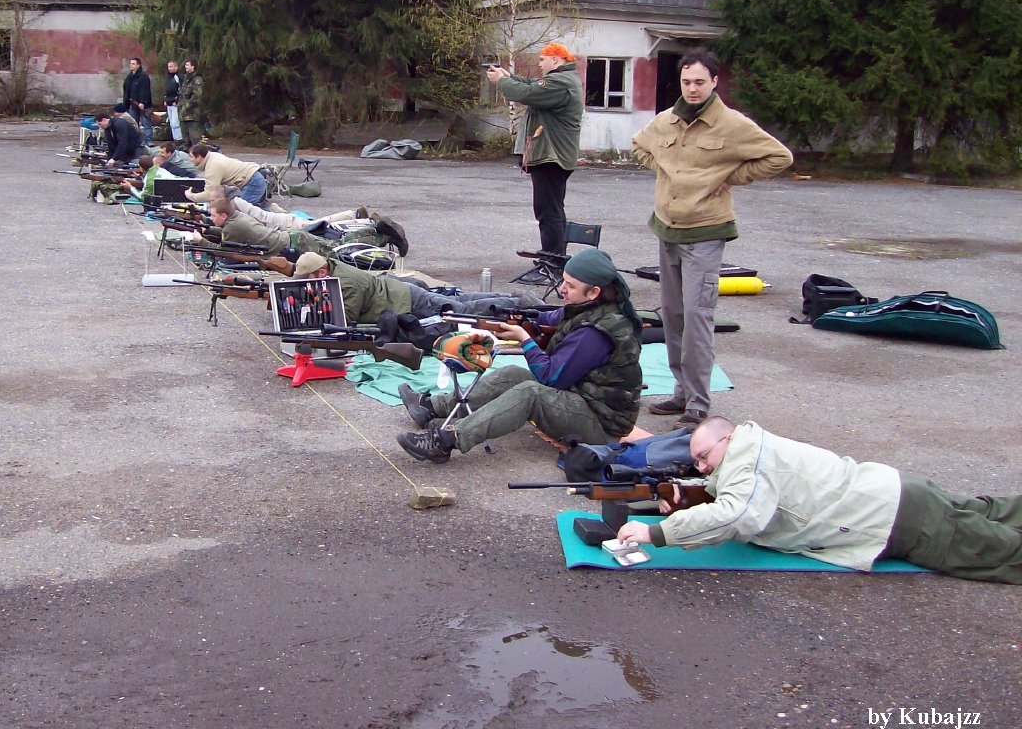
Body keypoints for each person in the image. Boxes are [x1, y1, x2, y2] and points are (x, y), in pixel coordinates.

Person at [616, 417, 1022, 584]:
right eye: (698, 462)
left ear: (729, 438)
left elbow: (737, 514)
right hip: (899, 493)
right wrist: (688, 495)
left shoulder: (747, 463)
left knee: (1005, 553)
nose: (702, 467)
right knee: (997, 512)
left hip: (897, 520)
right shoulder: (753, 447)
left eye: (705, 457)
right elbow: (731, 489)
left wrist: (657, 533)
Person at [631, 49, 792, 429]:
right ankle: (680, 392)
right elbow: (638, 145)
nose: (692, 88)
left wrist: (728, 177)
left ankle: (698, 404)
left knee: (697, 319)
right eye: (686, 81)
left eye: (700, 82)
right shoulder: (666, 120)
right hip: (667, 230)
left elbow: (779, 157)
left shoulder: (731, 124)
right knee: (672, 317)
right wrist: (663, 170)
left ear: (714, 82)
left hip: (704, 234)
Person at [395, 247, 642, 464]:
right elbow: (547, 318)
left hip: (602, 425)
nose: (562, 289)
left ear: (594, 292)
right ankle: (430, 407)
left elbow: (550, 378)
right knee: (514, 374)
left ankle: (446, 440)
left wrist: (525, 339)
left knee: (530, 393)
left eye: (571, 286)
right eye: (563, 281)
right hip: (583, 400)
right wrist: (514, 319)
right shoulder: (587, 308)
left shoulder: (596, 332)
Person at [486, 43, 582, 256]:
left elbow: (528, 93)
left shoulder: (560, 82)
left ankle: (553, 259)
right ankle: (555, 257)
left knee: (548, 212)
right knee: (553, 209)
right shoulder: (563, 79)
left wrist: (502, 81)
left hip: (551, 156)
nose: (539, 64)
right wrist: (509, 76)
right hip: (554, 155)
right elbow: (533, 85)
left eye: (542, 60)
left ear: (555, 59)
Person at [292, 251, 542, 327]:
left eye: (307, 279)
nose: (305, 283)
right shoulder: (331, 269)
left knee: (461, 310)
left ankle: (518, 304)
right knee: (461, 300)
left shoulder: (345, 282)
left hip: (406, 300)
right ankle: (511, 297)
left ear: (321, 273)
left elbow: (346, 319)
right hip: (401, 293)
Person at [225, 194, 408, 256]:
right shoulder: (238, 217)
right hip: (291, 234)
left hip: (292, 234)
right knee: (336, 238)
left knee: (339, 248)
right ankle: (372, 227)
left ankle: (378, 232)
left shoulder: (237, 220)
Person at [184, 144, 269, 206]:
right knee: (258, 211)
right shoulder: (212, 156)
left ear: (199, 157)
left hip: (252, 182)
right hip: (254, 177)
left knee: (240, 211)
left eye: (191, 157)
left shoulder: (213, 167)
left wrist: (191, 196)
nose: (190, 160)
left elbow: (209, 194)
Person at [122, 57, 154, 148]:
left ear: (138, 65)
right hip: (132, 104)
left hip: (144, 105)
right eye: (130, 63)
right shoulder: (129, 77)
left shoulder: (143, 76)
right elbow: (126, 91)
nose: (131, 65)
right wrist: (126, 103)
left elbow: (145, 90)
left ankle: (149, 140)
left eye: (133, 64)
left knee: (146, 123)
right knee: (134, 124)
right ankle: (136, 141)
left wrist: (143, 102)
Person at [178, 59, 203, 146]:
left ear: (193, 66)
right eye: (185, 65)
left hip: (192, 113)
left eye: (188, 65)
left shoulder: (197, 80)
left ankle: (197, 152)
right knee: (185, 138)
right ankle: (187, 151)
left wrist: (186, 106)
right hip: (183, 113)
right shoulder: (186, 79)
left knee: (194, 138)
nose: (186, 67)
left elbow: (197, 96)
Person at [162, 60, 183, 143]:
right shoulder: (168, 77)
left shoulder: (179, 77)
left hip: (175, 103)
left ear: (176, 67)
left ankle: (179, 139)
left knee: (175, 123)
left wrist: (177, 100)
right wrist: (165, 99)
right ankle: (175, 139)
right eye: (168, 67)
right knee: (171, 123)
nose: (169, 68)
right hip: (168, 102)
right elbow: (167, 89)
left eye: (171, 66)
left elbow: (181, 90)